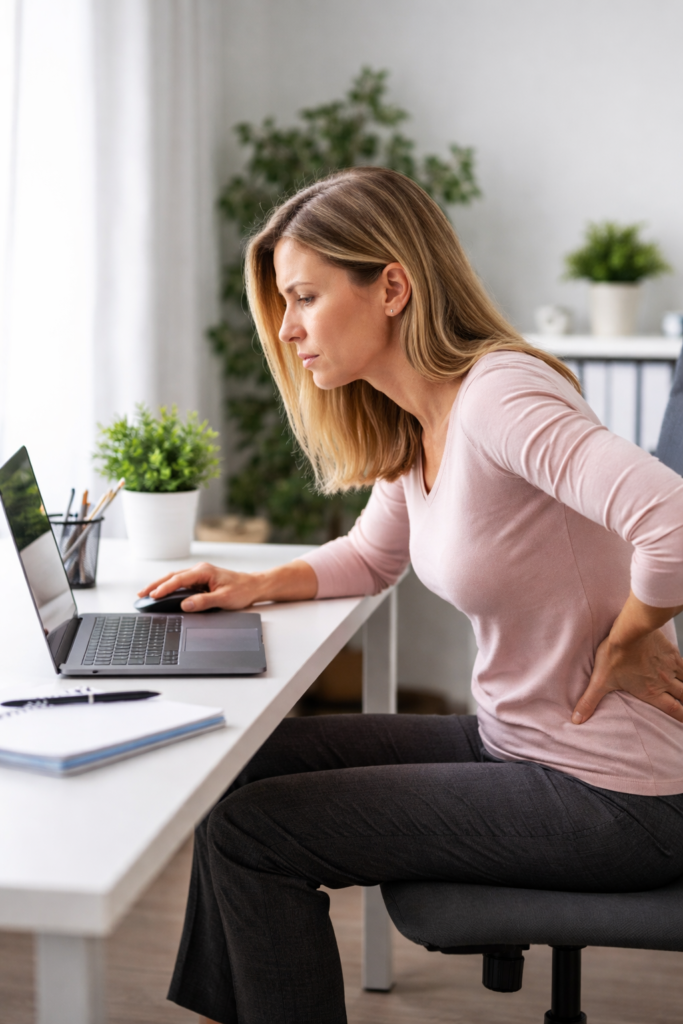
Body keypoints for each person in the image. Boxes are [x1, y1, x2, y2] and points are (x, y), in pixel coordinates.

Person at [139, 167, 683, 1024]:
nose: (286, 328)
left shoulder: (499, 396)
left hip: (616, 795)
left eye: (305, 297)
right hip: (518, 743)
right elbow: (370, 555)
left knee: (255, 832)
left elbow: (672, 519)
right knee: (233, 769)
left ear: (391, 287)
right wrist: (256, 583)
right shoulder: (418, 418)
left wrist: (632, 631)